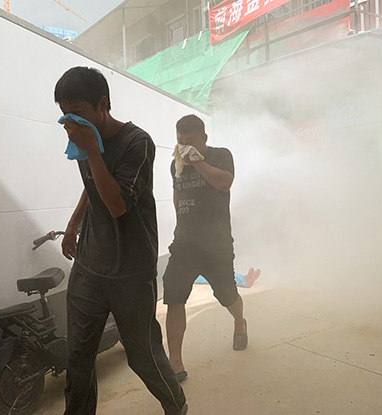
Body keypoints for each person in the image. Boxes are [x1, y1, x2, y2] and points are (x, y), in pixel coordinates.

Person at [54, 66, 187, 415]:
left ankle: (176, 405)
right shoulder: (84, 139)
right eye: (64, 116)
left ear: (102, 104)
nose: (70, 124)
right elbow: (92, 185)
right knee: (78, 358)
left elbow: (116, 204)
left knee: (142, 355)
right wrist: (73, 224)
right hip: (90, 266)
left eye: (77, 114)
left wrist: (92, 151)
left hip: (131, 270)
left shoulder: (136, 143)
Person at [163, 114, 247, 383]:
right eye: (180, 141)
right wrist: (181, 221)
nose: (184, 147)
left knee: (227, 295)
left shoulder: (220, 155)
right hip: (185, 244)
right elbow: (177, 193)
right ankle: (175, 362)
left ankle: (239, 321)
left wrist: (197, 162)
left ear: (204, 138)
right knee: (174, 296)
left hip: (216, 244)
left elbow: (224, 183)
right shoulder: (175, 164)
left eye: (189, 141)